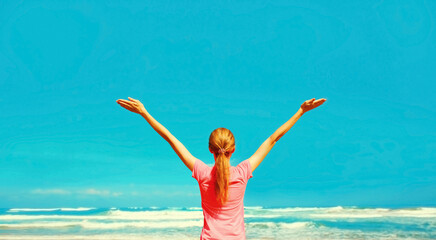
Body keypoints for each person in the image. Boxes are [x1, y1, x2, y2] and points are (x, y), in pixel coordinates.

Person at [116, 97, 327, 239]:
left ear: (210, 149)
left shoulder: (202, 172)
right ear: (233, 149)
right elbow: (273, 139)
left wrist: (144, 113)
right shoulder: (243, 172)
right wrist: (301, 111)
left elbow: (170, 138)